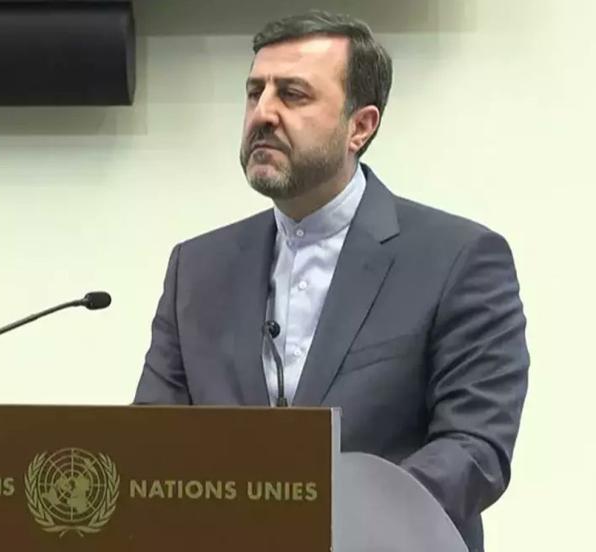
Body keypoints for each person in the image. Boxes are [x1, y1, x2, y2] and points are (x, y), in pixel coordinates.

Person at [133, 10, 528, 552]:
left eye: (293, 95)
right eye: (254, 92)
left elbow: (475, 448)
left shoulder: (459, 259)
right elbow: (150, 443)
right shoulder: (197, 268)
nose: (263, 113)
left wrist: (326, 518)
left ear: (359, 127)